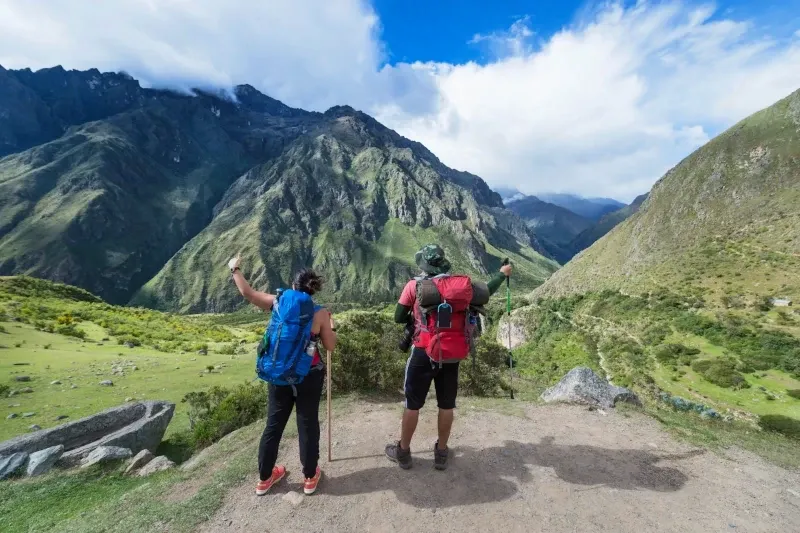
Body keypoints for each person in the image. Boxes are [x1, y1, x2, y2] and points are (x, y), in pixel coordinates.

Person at [385, 244, 512, 470]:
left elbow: (397, 316)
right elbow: (488, 290)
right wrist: (502, 275)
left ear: (424, 265)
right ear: (443, 264)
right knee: (446, 405)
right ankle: (442, 453)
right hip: (451, 353)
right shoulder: (463, 288)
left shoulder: (414, 286)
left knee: (412, 404)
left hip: (423, 352)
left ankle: (403, 452)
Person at [228, 254, 337, 496]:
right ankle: (310, 477)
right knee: (307, 423)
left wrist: (234, 268)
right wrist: (329, 326)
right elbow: (330, 346)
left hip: (278, 375)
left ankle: (265, 478)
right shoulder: (320, 314)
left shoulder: (277, 302)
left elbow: (247, 293)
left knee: (274, 425)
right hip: (308, 375)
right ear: (314, 289)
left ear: (293, 285)